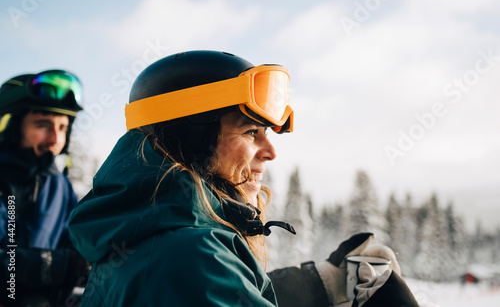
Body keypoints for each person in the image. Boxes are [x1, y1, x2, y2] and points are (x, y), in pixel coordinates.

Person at [68, 50, 419, 306]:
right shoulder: (187, 254)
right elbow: (195, 278)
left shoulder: (153, 233)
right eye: (251, 132)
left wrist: (320, 286)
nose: (270, 151)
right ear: (189, 142)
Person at [0, 70, 89, 307]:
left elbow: (77, 240)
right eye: (43, 125)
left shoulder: (60, 186)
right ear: (10, 125)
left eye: (62, 128)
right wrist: (63, 265)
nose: (54, 139)